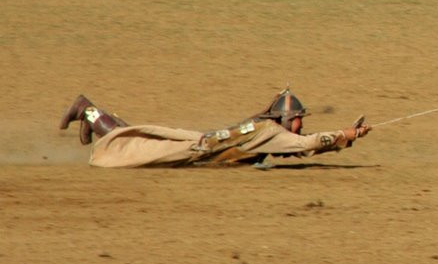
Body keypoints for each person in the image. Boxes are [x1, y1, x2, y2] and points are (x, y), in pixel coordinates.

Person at [59, 87, 370, 169]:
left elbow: (299, 149)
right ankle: (86, 109)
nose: (301, 124)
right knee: (137, 146)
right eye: (299, 118)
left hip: (198, 146)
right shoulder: (272, 133)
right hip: (194, 150)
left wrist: (347, 138)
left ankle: (89, 115)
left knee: (139, 137)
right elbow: (306, 145)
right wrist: (344, 134)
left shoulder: (266, 130)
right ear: (286, 120)